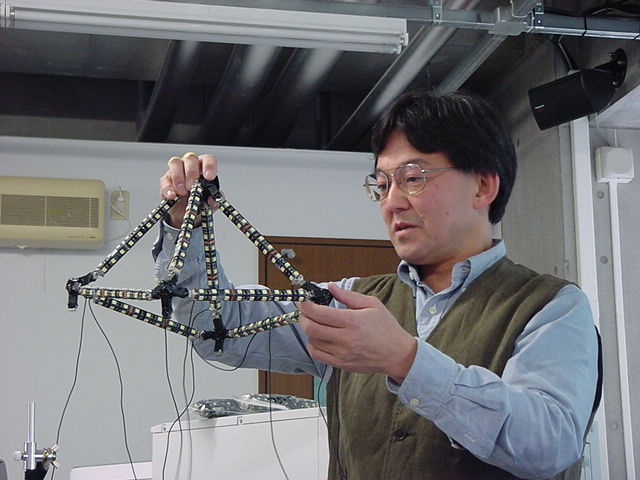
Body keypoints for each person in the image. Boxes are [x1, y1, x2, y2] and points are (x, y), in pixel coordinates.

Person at [154, 90, 599, 480]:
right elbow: (218, 327)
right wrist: (185, 227)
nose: (392, 202)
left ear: (482, 186)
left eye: (413, 178)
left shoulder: (551, 307)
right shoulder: (351, 300)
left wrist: (404, 359)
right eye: (382, 184)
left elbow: (550, 444)